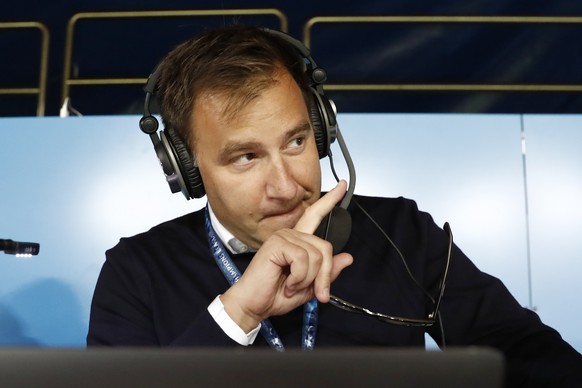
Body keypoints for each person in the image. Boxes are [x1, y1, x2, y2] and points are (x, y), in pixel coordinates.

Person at [87, 24, 582, 386]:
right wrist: (237, 313)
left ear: (322, 129)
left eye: (297, 141)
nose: (285, 186)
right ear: (186, 169)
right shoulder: (136, 271)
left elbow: (535, 358)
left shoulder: (402, 230)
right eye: (245, 157)